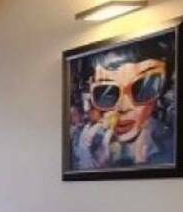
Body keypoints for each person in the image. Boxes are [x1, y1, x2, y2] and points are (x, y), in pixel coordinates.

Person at [71, 38, 175, 169]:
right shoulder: (79, 144)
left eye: (143, 88)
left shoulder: (171, 143)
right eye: (107, 92)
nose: (123, 107)